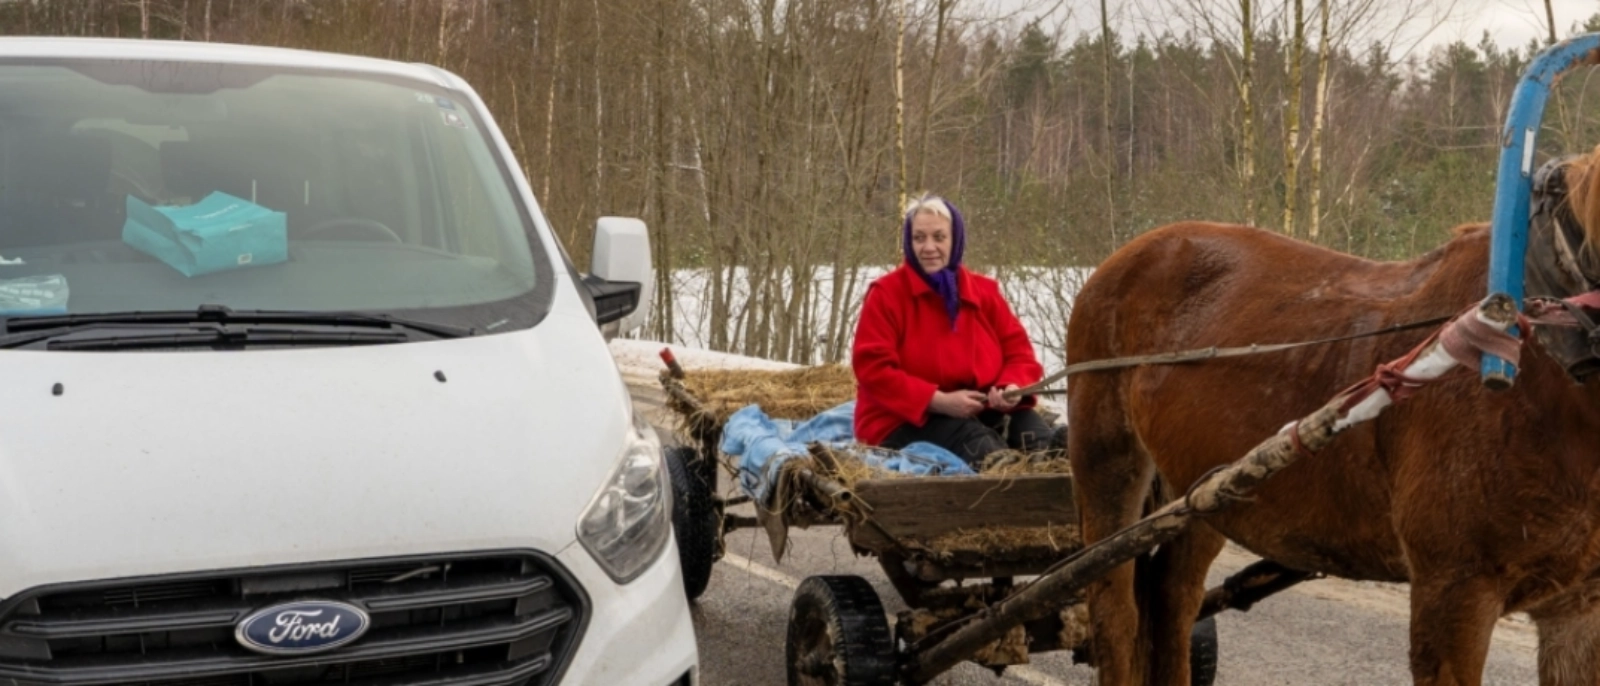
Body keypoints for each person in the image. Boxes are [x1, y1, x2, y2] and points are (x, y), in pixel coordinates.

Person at [851, 193, 1052, 466]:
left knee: (1039, 438)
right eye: (919, 238)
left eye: (939, 237)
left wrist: (1009, 388)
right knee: (984, 449)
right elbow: (873, 369)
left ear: (955, 240)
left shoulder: (985, 292)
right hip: (902, 419)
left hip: (982, 411)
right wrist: (938, 401)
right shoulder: (886, 294)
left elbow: (1020, 354)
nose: (929, 247)